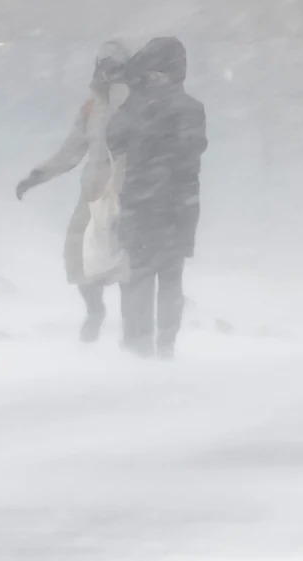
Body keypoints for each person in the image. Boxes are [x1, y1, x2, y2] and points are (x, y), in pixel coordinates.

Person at [16, 41, 132, 343]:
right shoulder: (92, 104)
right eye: (104, 66)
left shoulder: (135, 101)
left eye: (115, 67)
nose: (109, 73)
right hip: (92, 192)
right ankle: (95, 312)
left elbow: (134, 152)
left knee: (123, 259)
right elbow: (73, 148)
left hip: (125, 192)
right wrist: (39, 174)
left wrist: (122, 191)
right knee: (80, 254)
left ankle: (134, 326)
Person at [106, 37, 207, 360]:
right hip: (179, 206)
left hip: (144, 203)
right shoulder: (191, 108)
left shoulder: (142, 107)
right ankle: (164, 344)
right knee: (169, 277)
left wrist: (137, 102)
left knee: (139, 275)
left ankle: (140, 344)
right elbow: (191, 152)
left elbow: (115, 140)